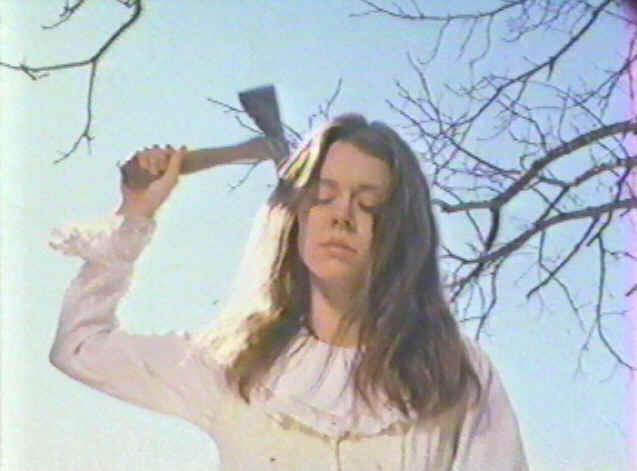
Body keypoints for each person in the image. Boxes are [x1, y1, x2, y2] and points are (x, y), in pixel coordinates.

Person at [49, 114, 529, 470]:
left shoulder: (452, 372)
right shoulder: (237, 361)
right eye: (323, 197)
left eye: (369, 203)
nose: (342, 216)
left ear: (400, 232)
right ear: (295, 216)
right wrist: (137, 213)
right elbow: (80, 348)